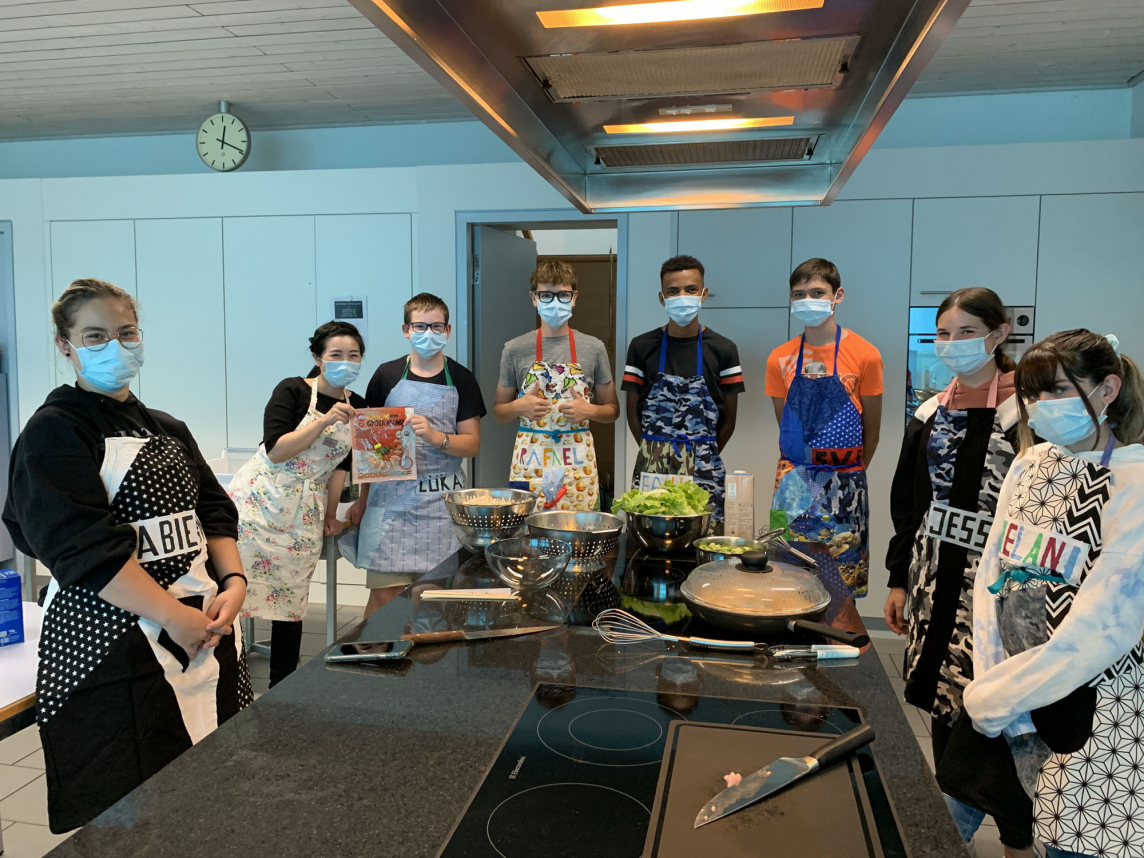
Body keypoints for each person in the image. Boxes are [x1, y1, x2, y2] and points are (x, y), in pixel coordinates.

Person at [3, 278, 250, 832]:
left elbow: (214, 512)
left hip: (205, 630)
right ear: (65, 345)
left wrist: (233, 582)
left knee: (213, 791)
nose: (115, 346)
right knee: (135, 814)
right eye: (95, 335)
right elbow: (82, 547)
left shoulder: (168, 427)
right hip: (112, 645)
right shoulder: (55, 432)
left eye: (126, 332)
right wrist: (172, 616)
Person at [956, 330, 1144, 858]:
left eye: (1058, 389)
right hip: (1006, 693)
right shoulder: (1030, 463)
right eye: (1032, 393)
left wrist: (1003, 696)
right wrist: (990, 678)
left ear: (1108, 389)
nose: (1041, 405)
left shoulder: (1134, 480)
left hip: (1089, 700)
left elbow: (1107, 622)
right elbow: (992, 574)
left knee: (1072, 840)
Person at [883, 288, 1031, 853]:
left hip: (996, 588)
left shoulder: (1027, 411)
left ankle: (1012, 831)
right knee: (942, 698)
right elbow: (908, 502)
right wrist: (899, 579)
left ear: (999, 334)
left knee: (994, 704)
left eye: (966, 332)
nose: (952, 344)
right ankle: (950, 822)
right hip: (931, 578)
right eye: (943, 333)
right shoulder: (930, 411)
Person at [228, 321, 365, 687]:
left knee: (291, 599)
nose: (345, 362)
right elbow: (275, 450)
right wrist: (324, 421)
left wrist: (331, 514)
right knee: (234, 588)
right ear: (318, 358)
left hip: (306, 508)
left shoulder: (359, 405)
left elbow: (342, 466)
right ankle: (229, 680)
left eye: (353, 355)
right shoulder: (292, 390)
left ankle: (282, 687)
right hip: (259, 501)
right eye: (336, 354)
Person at [345, 293, 486, 618]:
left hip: (439, 505)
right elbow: (370, 448)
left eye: (436, 326)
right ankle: (373, 651)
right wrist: (362, 500)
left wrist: (436, 437)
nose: (428, 333)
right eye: (420, 326)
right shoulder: (386, 375)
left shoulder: (461, 379)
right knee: (385, 597)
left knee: (432, 599)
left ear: (447, 330)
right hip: (389, 503)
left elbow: (472, 444)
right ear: (406, 330)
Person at [766, 258, 883, 596]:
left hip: (846, 483)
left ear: (837, 295)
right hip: (793, 483)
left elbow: (872, 432)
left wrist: (846, 476)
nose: (808, 300)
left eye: (817, 292)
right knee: (787, 580)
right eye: (799, 294)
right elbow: (786, 426)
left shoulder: (866, 355)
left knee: (842, 584)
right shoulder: (779, 359)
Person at [621, 255, 744, 524]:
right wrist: (653, 453)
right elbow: (632, 414)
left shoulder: (724, 350)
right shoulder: (641, 347)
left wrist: (704, 454)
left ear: (703, 294)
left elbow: (729, 421)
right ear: (662, 298)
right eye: (673, 291)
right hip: (653, 464)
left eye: (691, 289)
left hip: (704, 465)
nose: (682, 297)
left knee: (704, 536)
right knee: (651, 533)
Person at [493, 259, 619, 511]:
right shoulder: (515, 349)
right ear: (534, 298)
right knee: (530, 530)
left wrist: (590, 411)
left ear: (574, 298)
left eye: (563, 295)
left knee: (580, 529)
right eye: (546, 295)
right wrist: (519, 407)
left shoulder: (593, 348)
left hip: (578, 465)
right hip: (531, 464)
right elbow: (499, 411)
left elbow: (612, 409)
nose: (555, 302)